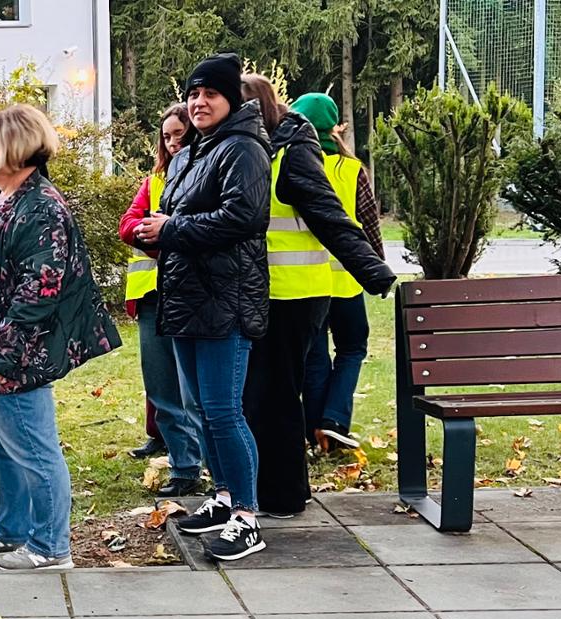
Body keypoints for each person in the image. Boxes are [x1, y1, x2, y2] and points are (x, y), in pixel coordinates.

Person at [0, 104, 121, 571]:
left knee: (33, 450)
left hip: (13, 357)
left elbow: (40, 289)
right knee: (3, 448)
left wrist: (2, 356)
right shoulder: (6, 200)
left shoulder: (41, 207)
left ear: (14, 147)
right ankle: (11, 531)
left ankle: (51, 548)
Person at [132, 54, 270, 561]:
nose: (198, 102)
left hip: (225, 302)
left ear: (231, 98)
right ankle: (223, 497)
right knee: (202, 413)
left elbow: (242, 217)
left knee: (223, 412)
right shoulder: (195, 153)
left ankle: (247, 517)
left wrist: (169, 229)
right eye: (193, 94)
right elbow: (184, 215)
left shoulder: (242, 148)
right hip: (188, 301)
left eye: (209, 93)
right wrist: (160, 226)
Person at [238, 74, 394, 519]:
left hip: (295, 295)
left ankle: (283, 496)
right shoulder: (260, 152)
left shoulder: (289, 154)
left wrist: (372, 270)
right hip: (269, 295)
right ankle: (280, 490)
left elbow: (331, 217)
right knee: (267, 394)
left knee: (277, 395)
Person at [291, 92, 388, 453]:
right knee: (351, 347)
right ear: (333, 129)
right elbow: (368, 223)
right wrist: (376, 267)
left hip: (307, 283)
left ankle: (313, 430)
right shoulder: (350, 170)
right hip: (345, 281)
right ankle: (332, 421)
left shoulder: (289, 164)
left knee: (314, 358)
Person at [117, 104, 205, 496]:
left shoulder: (208, 171)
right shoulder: (154, 180)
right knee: (162, 388)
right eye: (166, 136)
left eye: (179, 135)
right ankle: (184, 469)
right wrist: (154, 234)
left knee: (197, 393)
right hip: (153, 298)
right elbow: (128, 224)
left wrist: (167, 234)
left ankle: (214, 471)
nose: (172, 143)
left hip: (193, 296)